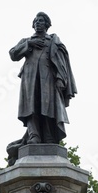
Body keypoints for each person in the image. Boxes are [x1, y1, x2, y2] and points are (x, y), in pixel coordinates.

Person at [7, 12, 77, 165]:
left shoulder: (53, 41)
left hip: (48, 79)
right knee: (31, 107)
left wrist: (60, 78)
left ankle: (48, 135)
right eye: (36, 21)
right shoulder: (27, 41)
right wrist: (29, 45)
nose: (38, 23)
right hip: (30, 78)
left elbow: (61, 62)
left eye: (41, 21)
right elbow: (13, 54)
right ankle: (34, 136)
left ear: (47, 24)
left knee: (47, 106)